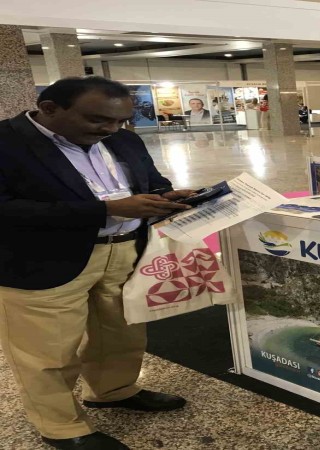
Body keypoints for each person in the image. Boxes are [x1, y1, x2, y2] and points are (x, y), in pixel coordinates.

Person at [0, 77, 198, 449]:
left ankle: (114, 390)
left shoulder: (122, 139)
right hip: (41, 260)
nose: (111, 129)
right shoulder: (7, 142)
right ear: (49, 109)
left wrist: (164, 196)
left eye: (120, 121)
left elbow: (150, 180)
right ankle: (61, 426)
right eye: (98, 120)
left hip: (124, 250)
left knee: (120, 332)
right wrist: (104, 210)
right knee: (47, 350)